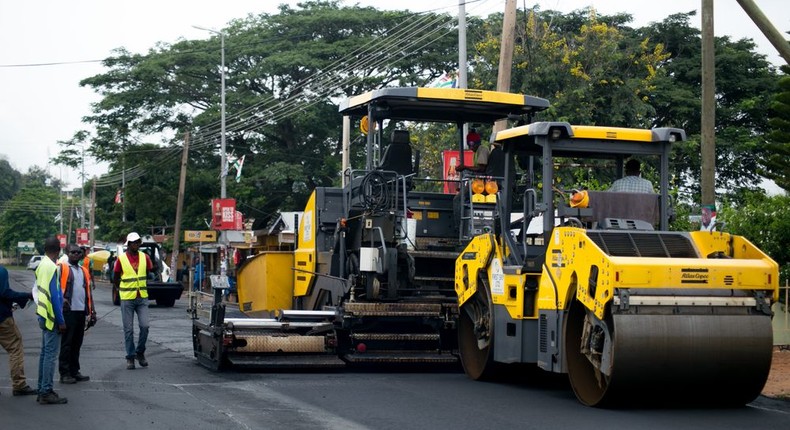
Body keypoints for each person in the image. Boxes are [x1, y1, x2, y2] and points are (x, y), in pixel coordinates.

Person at [113, 232, 153, 370]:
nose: (136, 244)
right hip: (127, 299)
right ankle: (130, 357)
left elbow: (148, 273)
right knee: (128, 330)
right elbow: (116, 277)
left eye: (138, 242)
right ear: (128, 244)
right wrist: (121, 290)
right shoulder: (121, 259)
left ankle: (140, 352)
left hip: (141, 297)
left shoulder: (145, 257)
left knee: (145, 326)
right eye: (134, 242)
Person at [35, 236, 68, 404]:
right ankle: (46, 391)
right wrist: (61, 321)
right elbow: (54, 297)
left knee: (44, 354)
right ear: (59, 250)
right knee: (50, 355)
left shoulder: (42, 265)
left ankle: (42, 389)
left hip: (42, 314)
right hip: (51, 317)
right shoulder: (53, 267)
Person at [57, 244, 96, 384]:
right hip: (68, 312)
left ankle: (74, 371)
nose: (76, 254)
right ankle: (65, 373)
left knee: (77, 343)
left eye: (78, 252)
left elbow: (88, 293)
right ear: (67, 253)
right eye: (73, 252)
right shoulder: (62, 268)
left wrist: (92, 312)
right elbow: (56, 289)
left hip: (81, 312)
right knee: (67, 343)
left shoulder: (83, 270)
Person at [0, 264, 38, 397]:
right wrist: (26, 295)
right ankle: (19, 385)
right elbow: (4, 293)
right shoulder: (1, 271)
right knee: (15, 347)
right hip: (2, 318)